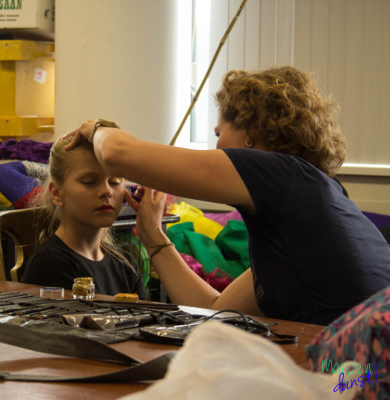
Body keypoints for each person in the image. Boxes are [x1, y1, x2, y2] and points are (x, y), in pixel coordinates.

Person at [65, 66, 390, 325]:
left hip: (358, 369)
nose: (217, 145)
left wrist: (96, 127)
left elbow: (117, 153)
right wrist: (152, 235)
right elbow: (217, 310)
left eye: (219, 133)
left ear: (250, 131)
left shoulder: (277, 173)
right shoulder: (307, 205)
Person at [22, 134, 147, 300]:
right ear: (57, 193)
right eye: (89, 181)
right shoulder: (50, 264)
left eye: (115, 181)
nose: (107, 191)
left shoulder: (125, 264)